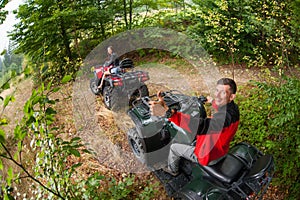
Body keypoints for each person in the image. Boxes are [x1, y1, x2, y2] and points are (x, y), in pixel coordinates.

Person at [150, 78, 240, 176]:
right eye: (216, 90)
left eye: (222, 93)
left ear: (231, 96)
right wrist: (211, 101)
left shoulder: (222, 120)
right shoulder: (233, 109)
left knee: (174, 147)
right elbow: (221, 109)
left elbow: (200, 126)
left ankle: (173, 170)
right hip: (220, 149)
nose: (217, 95)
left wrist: (169, 114)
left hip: (208, 157)